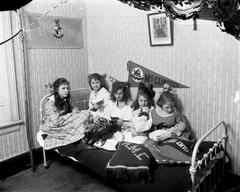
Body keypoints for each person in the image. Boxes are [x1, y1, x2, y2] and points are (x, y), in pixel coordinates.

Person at [40, 78, 91, 149]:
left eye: (67, 88)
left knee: (85, 113)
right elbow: (56, 122)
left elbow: (72, 108)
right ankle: (81, 141)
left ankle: (85, 138)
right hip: (53, 126)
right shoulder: (50, 103)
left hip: (63, 120)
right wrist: (70, 115)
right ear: (57, 89)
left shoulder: (64, 98)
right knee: (78, 120)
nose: (66, 91)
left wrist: (74, 110)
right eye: (63, 88)